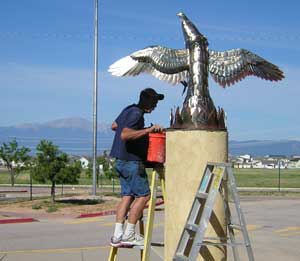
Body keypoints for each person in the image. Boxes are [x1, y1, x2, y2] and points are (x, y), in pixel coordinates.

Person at [110, 87, 164, 247]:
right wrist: (148, 130)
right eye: (154, 101)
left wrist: (139, 130)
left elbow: (115, 126)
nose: (155, 105)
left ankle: (117, 235)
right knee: (144, 196)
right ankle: (129, 235)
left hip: (120, 160)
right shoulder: (136, 113)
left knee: (127, 196)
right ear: (145, 99)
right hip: (132, 162)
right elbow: (124, 134)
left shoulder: (128, 110)